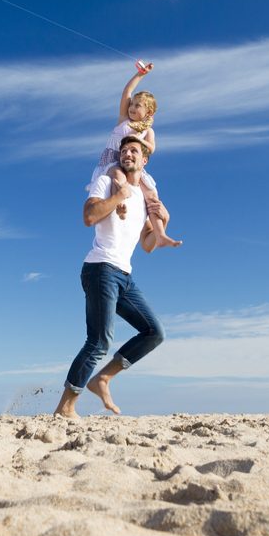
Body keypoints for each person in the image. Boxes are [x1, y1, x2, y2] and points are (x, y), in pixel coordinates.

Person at [54, 136, 169, 418]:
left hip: (125, 275)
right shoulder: (107, 181)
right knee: (99, 341)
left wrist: (163, 221)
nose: (127, 154)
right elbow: (89, 216)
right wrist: (119, 196)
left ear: (145, 160)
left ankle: (102, 379)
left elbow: (148, 245)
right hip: (100, 267)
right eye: (124, 150)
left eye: (134, 150)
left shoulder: (145, 197)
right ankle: (65, 407)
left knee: (154, 332)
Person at [90, 63, 182, 247]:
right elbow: (127, 91)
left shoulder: (148, 131)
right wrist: (140, 74)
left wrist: (137, 141)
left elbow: (152, 148)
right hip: (114, 160)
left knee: (151, 193)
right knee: (117, 175)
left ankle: (160, 233)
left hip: (131, 165)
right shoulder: (124, 119)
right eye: (131, 105)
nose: (131, 107)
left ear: (148, 111)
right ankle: (120, 206)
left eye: (137, 106)